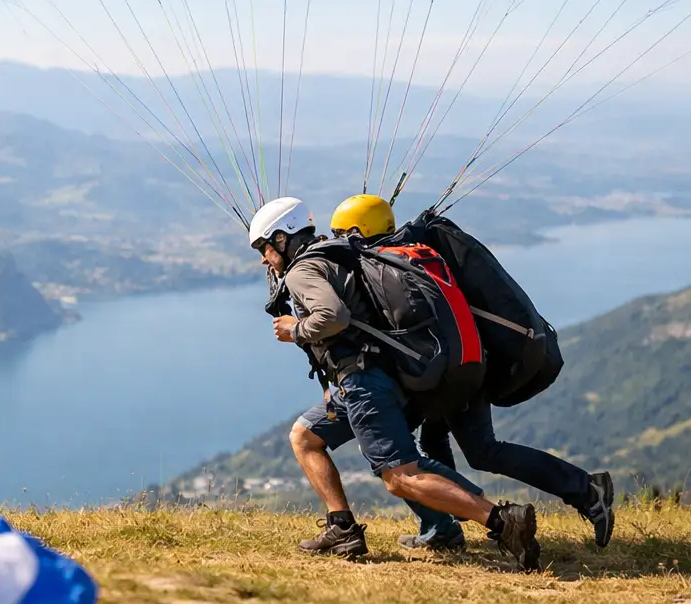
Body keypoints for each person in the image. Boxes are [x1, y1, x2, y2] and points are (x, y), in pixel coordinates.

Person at [250, 196, 541, 571]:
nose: (263, 259)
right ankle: (343, 527)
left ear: (282, 237)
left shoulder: (302, 270)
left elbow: (332, 317)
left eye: (263, 248)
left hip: (364, 382)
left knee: (400, 476)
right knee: (306, 436)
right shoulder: (337, 252)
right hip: (378, 374)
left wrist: (297, 330)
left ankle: (502, 521)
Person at [327, 193, 616, 551]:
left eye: (340, 232)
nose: (337, 240)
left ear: (357, 229)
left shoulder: (383, 267)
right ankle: (444, 528)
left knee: (477, 451)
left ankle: (584, 490)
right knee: (432, 440)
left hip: (450, 372)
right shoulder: (412, 252)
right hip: (467, 361)